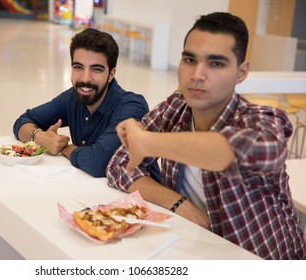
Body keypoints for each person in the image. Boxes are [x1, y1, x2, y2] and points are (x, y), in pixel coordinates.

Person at [106, 12, 306, 259]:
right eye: (190, 59)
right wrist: (179, 203)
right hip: (195, 249)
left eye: (216, 63)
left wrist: (148, 142)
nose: (197, 74)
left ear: (241, 72)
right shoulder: (176, 107)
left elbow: (246, 150)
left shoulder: (262, 120)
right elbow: (119, 167)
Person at [13, 28, 151, 177]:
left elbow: (97, 163)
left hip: (139, 198)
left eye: (96, 69)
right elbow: (22, 121)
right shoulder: (72, 97)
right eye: (78, 67)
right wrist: (39, 138)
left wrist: (64, 148)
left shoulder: (131, 107)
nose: (85, 78)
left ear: (111, 74)